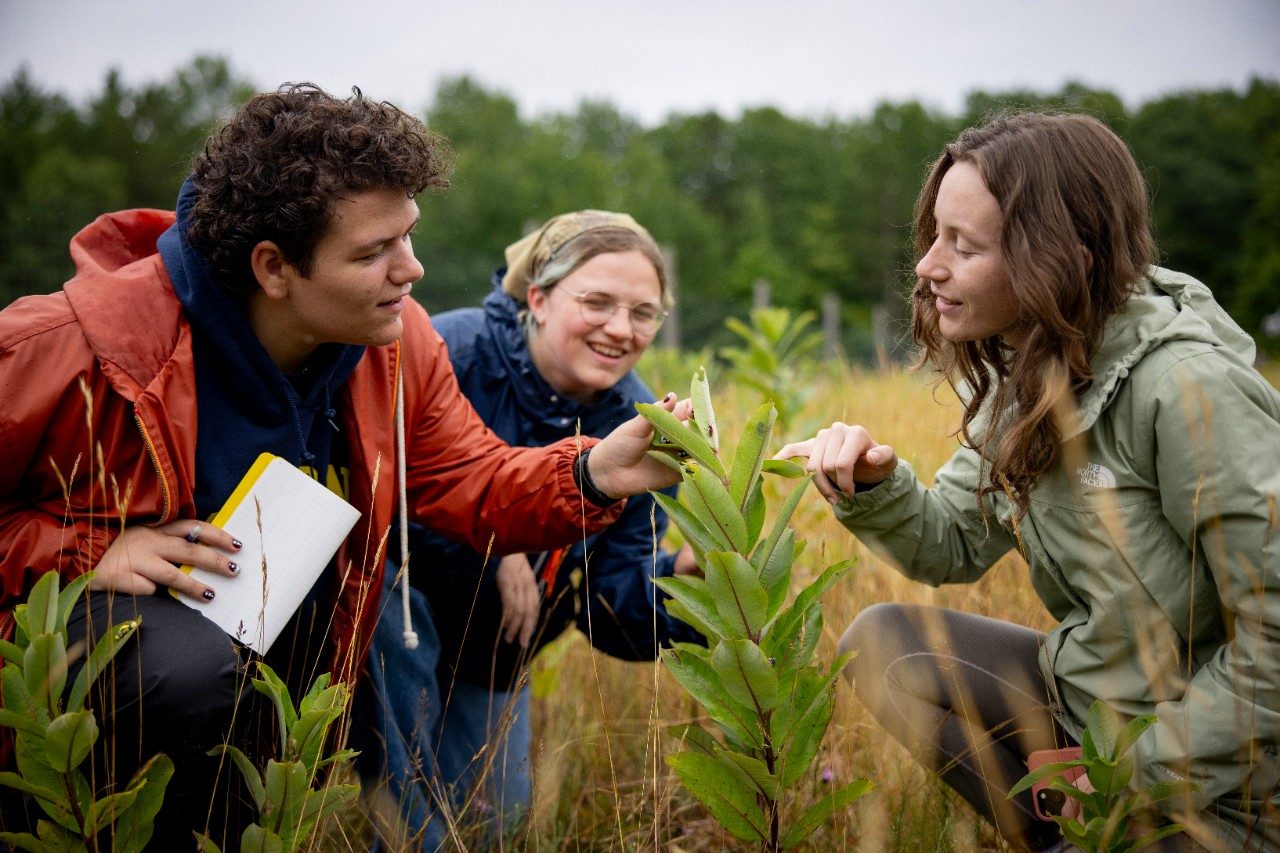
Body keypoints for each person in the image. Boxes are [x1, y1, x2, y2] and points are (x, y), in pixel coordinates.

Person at [0, 85, 686, 846]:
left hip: (240, 617)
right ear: (274, 267)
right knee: (184, 664)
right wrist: (87, 551)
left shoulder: (395, 345)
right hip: (80, 651)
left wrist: (594, 474)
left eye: (410, 237)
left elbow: (468, 476)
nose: (413, 270)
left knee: (313, 611)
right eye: (373, 253)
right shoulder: (61, 348)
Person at [777, 112, 1279, 851]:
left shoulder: (1187, 389)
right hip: (1089, 708)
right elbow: (947, 543)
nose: (926, 266)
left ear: (1060, 258)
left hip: (1223, 775)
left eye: (963, 245)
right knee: (882, 644)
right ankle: (1062, 840)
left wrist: (1128, 775)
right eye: (934, 235)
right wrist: (875, 484)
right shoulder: (1034, 369)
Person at [358, 210, 704, 849]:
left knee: (495, 828)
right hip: (394, 620)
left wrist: (685, 585)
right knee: (411, 819)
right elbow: (376, 490)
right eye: (597, 302)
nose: (620, 329)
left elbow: (608, 606)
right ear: (539, 299)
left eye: (643, 312)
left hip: (493, 652)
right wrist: (499, 548)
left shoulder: (644, 422)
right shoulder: (452, 351)